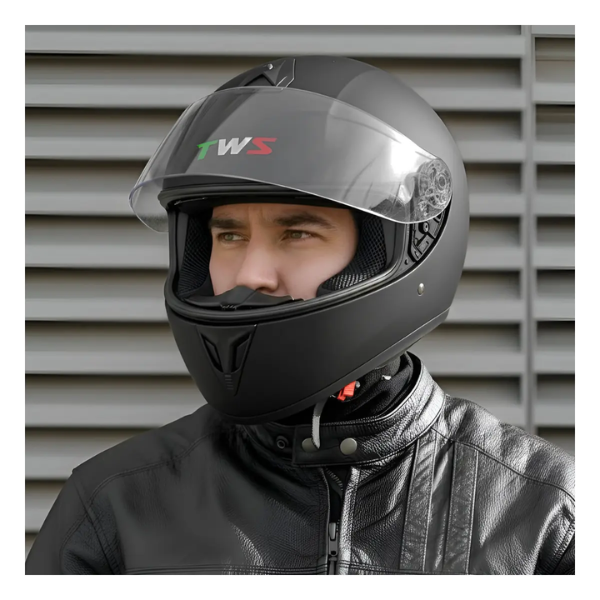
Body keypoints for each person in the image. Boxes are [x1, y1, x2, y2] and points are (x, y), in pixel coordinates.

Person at [25, 56, 574, 575]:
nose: (250, 274)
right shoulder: (114, 512)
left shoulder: (542, 517)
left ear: (397, 248)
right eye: (228, 235)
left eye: (296, 233)